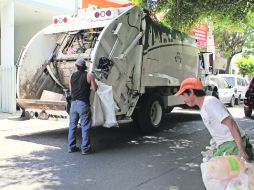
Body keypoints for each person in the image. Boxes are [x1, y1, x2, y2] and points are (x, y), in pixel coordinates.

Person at [175, 77, 254, 161]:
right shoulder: (204, 106)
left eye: (183, 95)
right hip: (227, 146)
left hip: (232, 146)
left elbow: (231, 123)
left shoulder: (209, 103)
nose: (183, 100)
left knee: (234, 173)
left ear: (191, 91)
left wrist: (241, 150)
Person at [68, 57, 97, 155]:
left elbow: (71, 90)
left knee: (72, 126)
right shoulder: (89, 75)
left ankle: (71, 147)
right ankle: (85, 148)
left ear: (76, 66)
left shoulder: (72, 76)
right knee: (85, 126)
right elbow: (94, 89)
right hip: (83, 104)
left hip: (73, 104)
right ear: (84, 66)